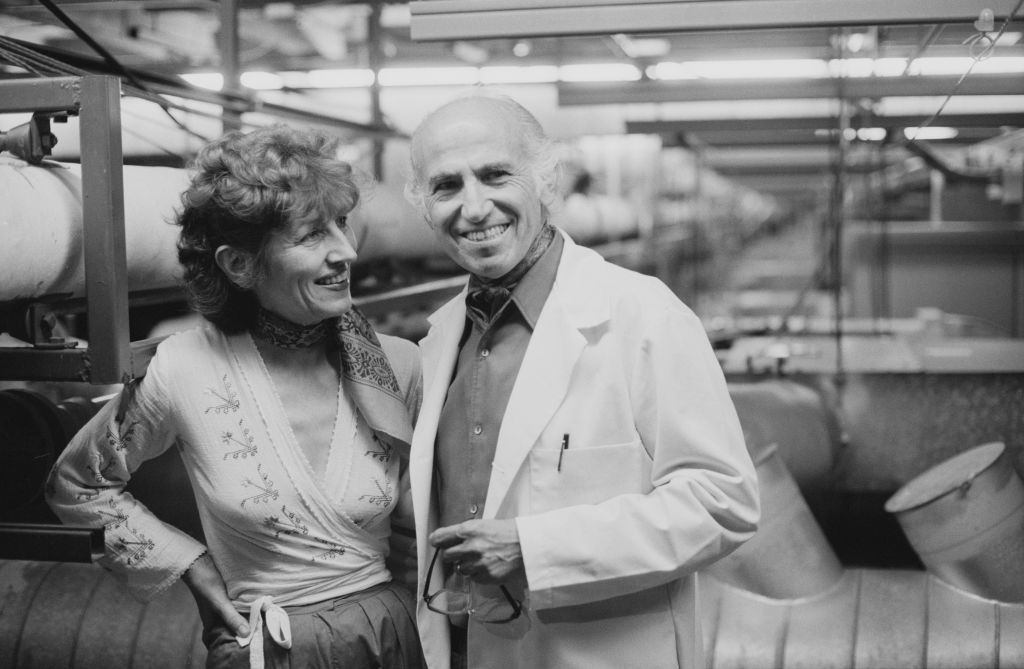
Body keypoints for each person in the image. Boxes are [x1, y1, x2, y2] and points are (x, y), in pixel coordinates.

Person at [403, 91, 760, 669]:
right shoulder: (442, 338)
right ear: (424, 207)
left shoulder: (641, 315)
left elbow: (723, 502)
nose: (474, 207)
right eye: (446, 186)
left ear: (546, 181)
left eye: (495, 175)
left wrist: (535, 549)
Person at [46, 124, 425, 669]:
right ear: (240, 264)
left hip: (389, 635)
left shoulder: (397, 363)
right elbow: (78, 483)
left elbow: (431, 505)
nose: (347, 251)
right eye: (311, 235)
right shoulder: (185, 367)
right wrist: (189, 567)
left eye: (342, 223)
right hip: (264, 643)